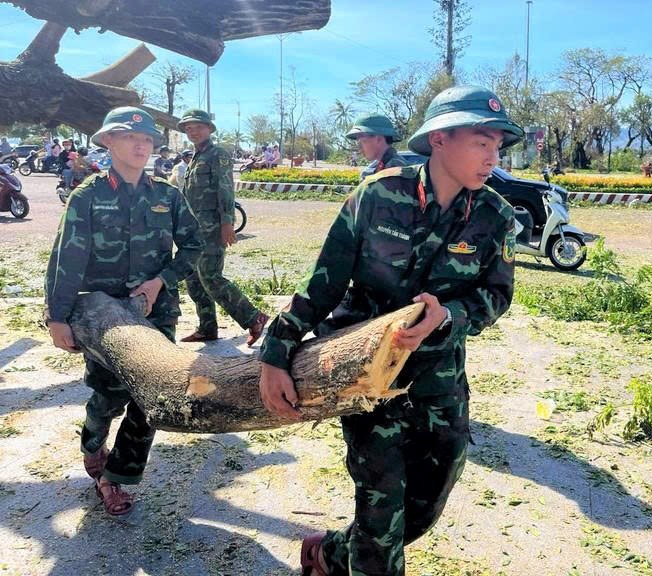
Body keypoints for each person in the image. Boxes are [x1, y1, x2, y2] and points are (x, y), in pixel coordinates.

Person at [259, 85, 521, 576]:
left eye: (498, 146)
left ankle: (330, 552)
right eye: (481, 142)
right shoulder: (376, 196)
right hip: (368, 381)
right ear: (440, 139)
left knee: (421, 511)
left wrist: (449, 317)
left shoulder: (496, 217)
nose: (493, 156)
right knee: (381, 521)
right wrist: (276, 353)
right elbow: (324, 282)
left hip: (439, 381)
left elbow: (497, 296)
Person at [44, 106, 203, 515]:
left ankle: (114, 478)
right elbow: (67, 259)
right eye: (130, 137)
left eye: (147, 139)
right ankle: (93, 442)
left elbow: (192, 246)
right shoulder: (88, 196)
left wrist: (160, 281)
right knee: (109, 396)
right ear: (109, 142)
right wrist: (57, 317)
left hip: (156, 313)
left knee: (152, 398)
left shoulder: (167, 196)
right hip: (103, 316)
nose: (140, 145)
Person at [177, 108, 269, 345]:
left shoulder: (218, 154)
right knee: (193, 278)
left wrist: (227, 223)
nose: (192, 131)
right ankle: (207, 327)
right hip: (194, 229)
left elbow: (225, 188)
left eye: (197, 127)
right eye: (188, 128)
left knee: (210, 275)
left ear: (209, 129)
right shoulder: (196, 157)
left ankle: (253, 317)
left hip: (212, 226)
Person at [346, 113, 407, 181]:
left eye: (362, 142)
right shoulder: (377, 167)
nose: (360, 149)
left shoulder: (395, 169)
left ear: (378, 139)